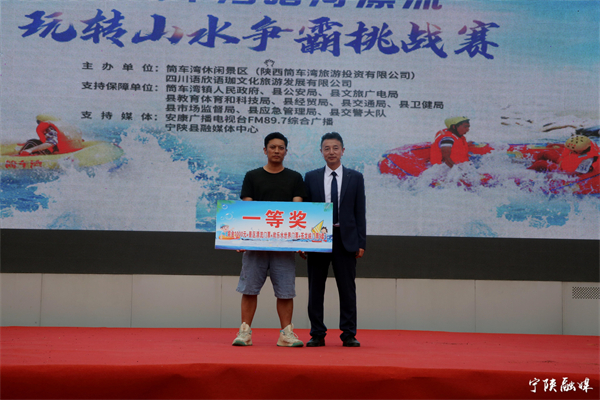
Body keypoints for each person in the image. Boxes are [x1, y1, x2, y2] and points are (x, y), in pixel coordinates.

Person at [232, 132, 306, 347]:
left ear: (286, 151)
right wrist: (242, 239)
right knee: (249, 289)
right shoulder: (252, 176)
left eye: (281, 147)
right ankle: (244, 332)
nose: (276, 151)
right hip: (256, 245)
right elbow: (246, 209)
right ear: (265, 150)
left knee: (285, 291)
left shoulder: (295, 178)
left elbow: (297, 211)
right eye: (272, 147)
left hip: (284, 246)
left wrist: (301, 242)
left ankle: (286, 334)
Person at [304, 132, 366, 347]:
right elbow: (306, 212)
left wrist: (361, 242)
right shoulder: (311, 177)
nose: (331, 152)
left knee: (347, 289)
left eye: (335, 148)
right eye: (327, 148)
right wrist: (303, 242)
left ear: (343, 151)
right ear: (321, 152)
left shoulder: (355, 177)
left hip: (345, 239)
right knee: (315, 288)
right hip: (318, 238)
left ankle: (348, 333)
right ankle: (317, 333)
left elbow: (360, 212)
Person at [528, 135, 599, 174]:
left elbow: (577, 173)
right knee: (545, 153)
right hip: (563, 160)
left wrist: (556, 175)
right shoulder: (587, 143)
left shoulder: (588, 160)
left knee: (540, 163)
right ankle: (530, 163)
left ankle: (527, 172)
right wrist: (555, 144)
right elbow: (570, 145)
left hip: (563, 169)